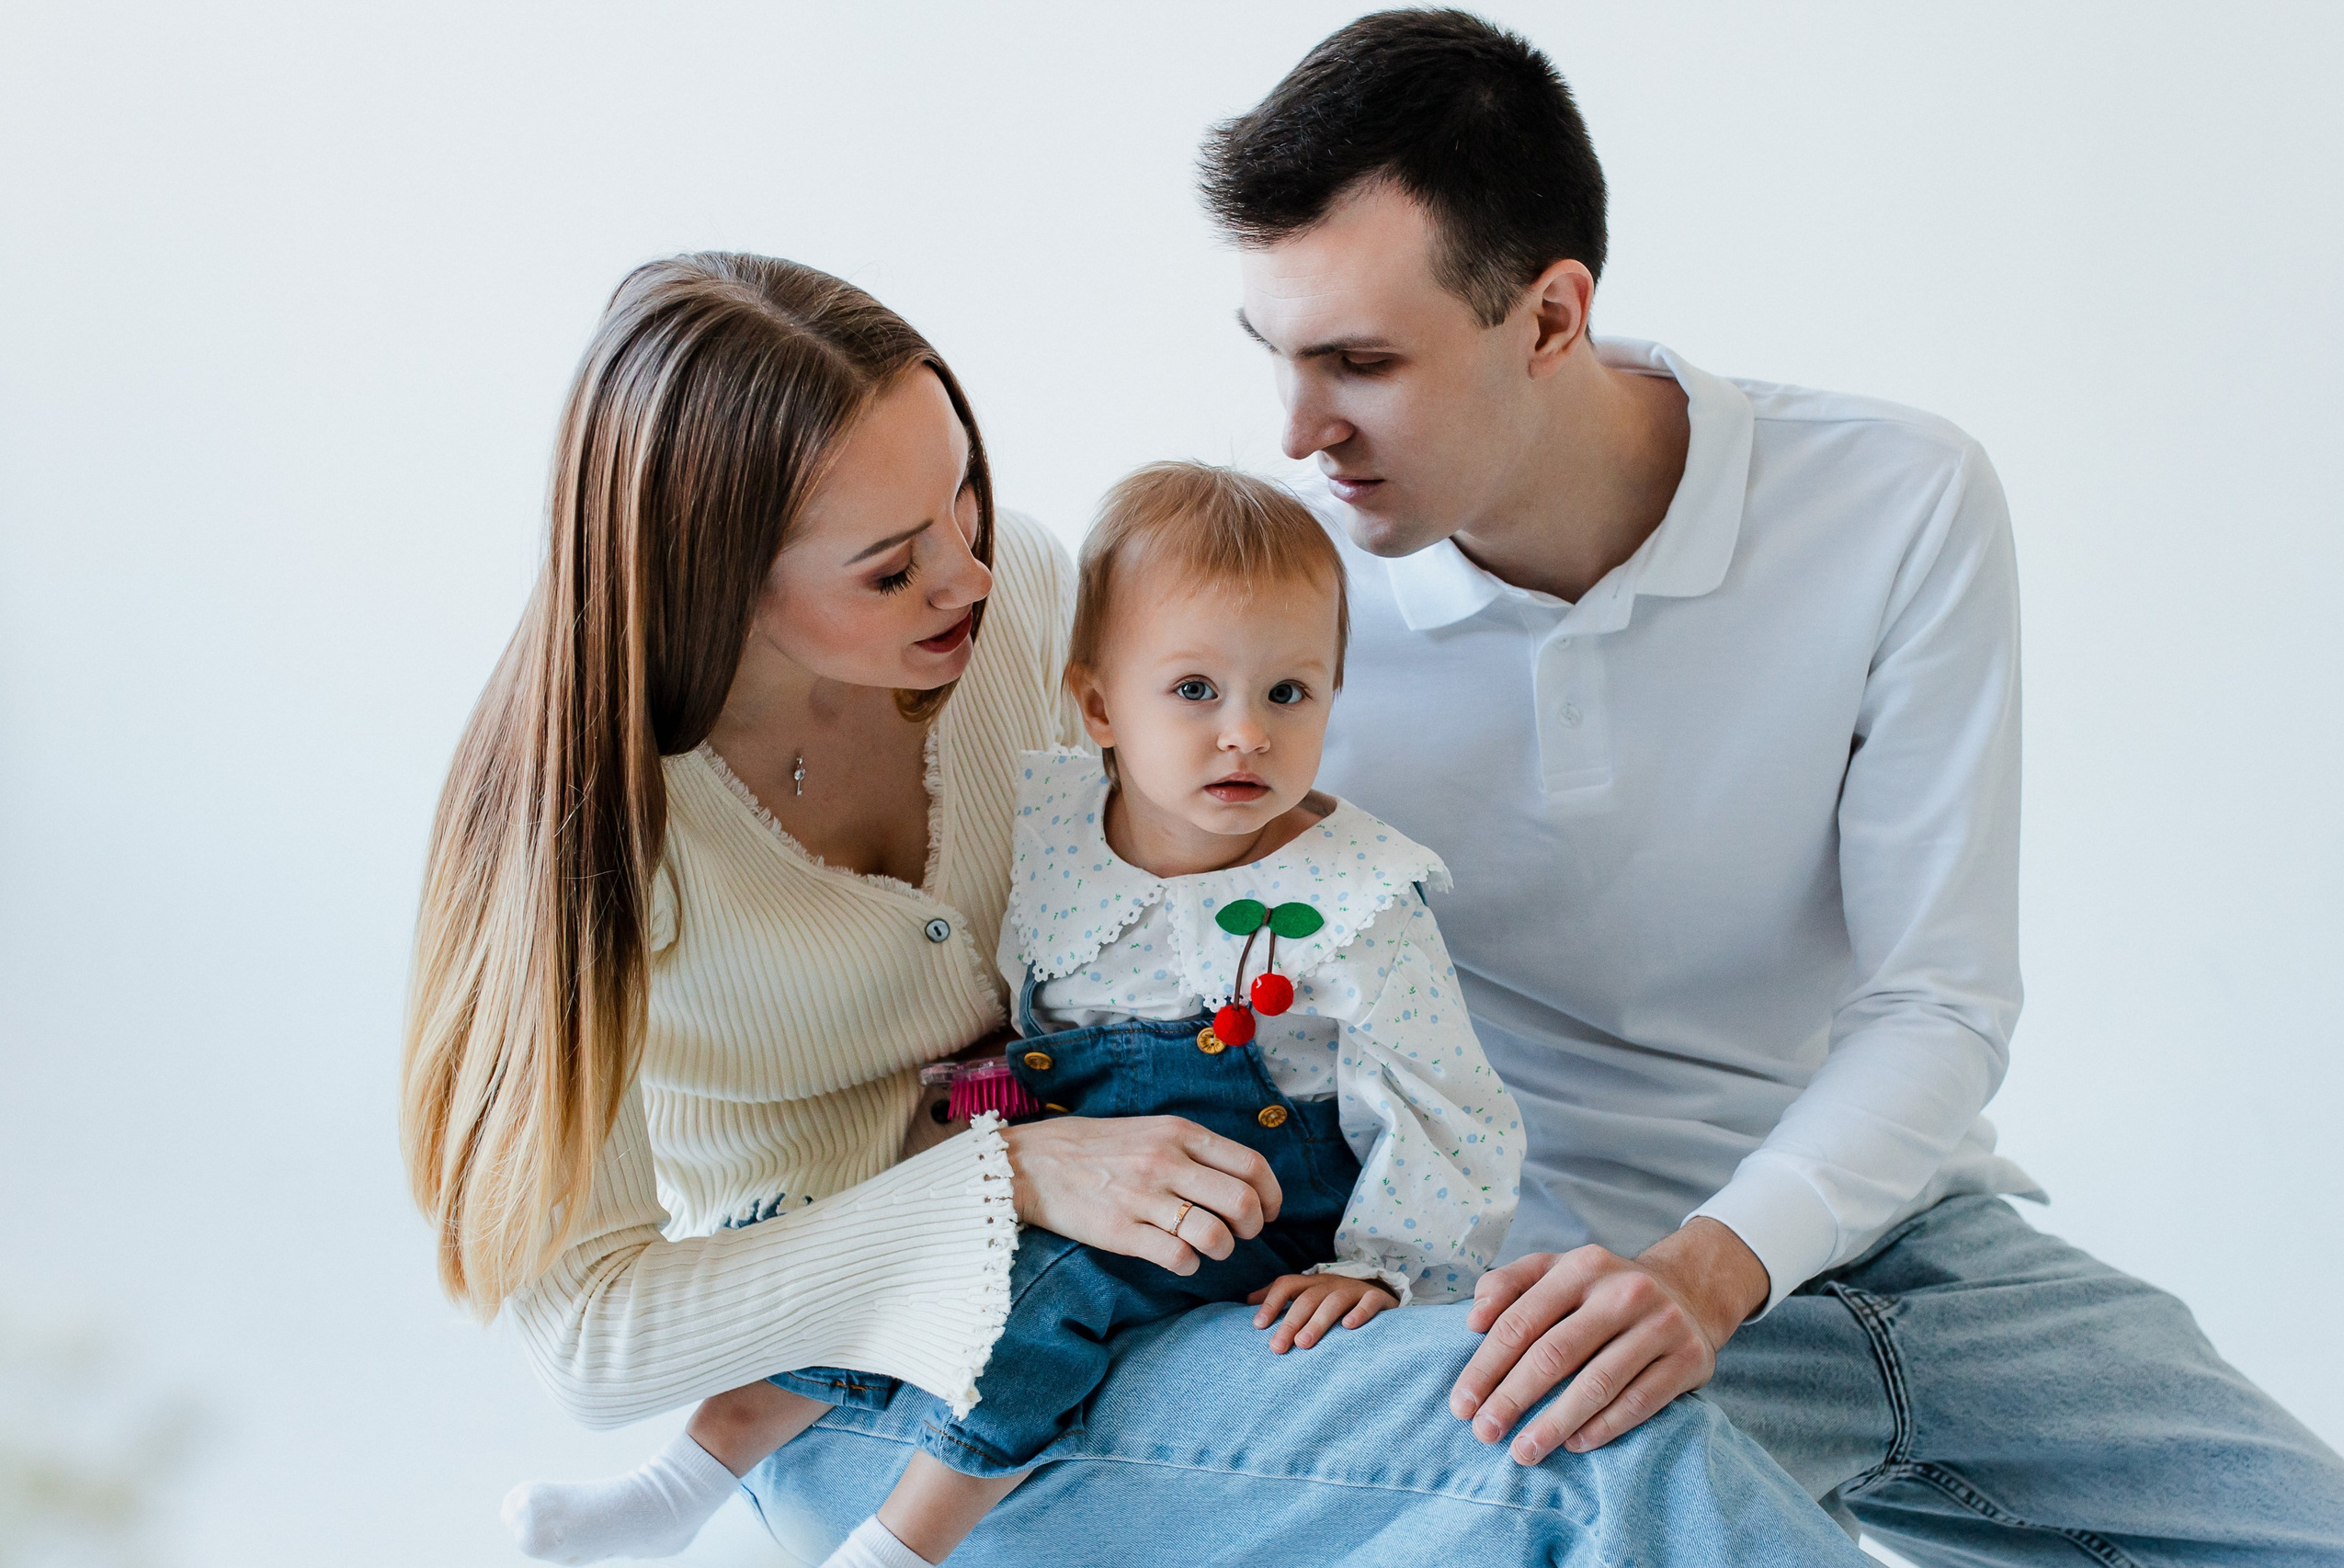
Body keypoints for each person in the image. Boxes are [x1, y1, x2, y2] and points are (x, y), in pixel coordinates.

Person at [401, 252, 1875, 1567]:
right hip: (878, 1398)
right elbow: (588, 1338)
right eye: (891, 563)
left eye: (962, 493)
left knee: (1610, 1418)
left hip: (1170, 1275)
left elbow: (1184, 862)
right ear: (710, 582)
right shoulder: (575, 834)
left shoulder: (1017, 597)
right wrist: (1010, 1183)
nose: (970, 573)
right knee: (1598, 1457)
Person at [1199, 9, 2344, 1562]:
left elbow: (1939, 1002)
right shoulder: (1258, 615)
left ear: (1551, 319)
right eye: (1272, 355)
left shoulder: (1895, 503)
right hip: (1541, 1304)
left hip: (1901, 1240)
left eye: (1362, 364)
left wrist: (1719, 1263)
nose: (1297, 431)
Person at [502, 460, 1524, 1566]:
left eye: (1289, 693)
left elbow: (1446, 1104)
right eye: (1193, 691)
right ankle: (680, 1482)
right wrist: (975, 1109)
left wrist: (1377, 1265)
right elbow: (1028, 1024)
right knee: (877, 1247)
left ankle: (902, 1542)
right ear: (1097, 706)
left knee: (1035, 1294)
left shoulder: (1352, 894)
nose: (1245, 735)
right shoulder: (1057, 826)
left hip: (1240, 1196)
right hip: (1062, 1146)